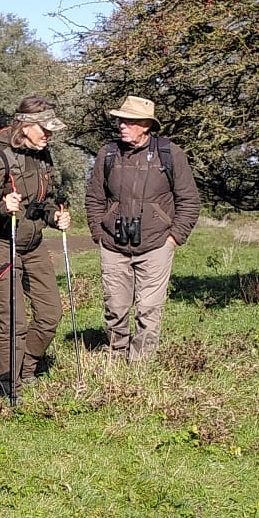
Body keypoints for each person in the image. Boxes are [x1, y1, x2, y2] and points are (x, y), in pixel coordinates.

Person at [84, 95, 200, 361]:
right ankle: (115, 355)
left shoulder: (170, 153)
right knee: (115, 306)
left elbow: (189, 200)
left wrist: (174, 237)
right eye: (121, 120)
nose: (121, 125)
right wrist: (97, 232)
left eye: (129, 121)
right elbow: (94, 197)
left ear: (146, 124)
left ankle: (140, 364)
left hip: (157, 244)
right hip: (113, 244)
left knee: (149, 308)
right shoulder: (108, 153)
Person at [0, 96, 74, 401]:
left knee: (51, 313)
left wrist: (54, 215)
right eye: (43, 128)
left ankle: (27, 367)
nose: (48, 135)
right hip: (0, 245)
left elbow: (44, 200)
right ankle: (9, 386)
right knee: (15, 322)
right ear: (25, 126)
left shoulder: (43, 156)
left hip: (33, 244)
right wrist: (3, 207)